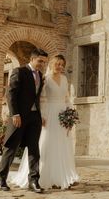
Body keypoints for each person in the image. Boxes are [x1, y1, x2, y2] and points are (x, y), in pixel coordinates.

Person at [10, 54, 79, 190]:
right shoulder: (45, 79)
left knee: (62, 144)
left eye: (62, 65)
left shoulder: (65, 79)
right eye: (57, 64)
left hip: (63, 114)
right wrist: (43, 116)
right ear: (52, 64)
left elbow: (67, 98)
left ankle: (63, 176)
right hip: (50, 114)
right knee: (47, 143)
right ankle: (42, 176)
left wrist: (70, 114)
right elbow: (42, 99)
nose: (60, 67)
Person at [0, 48, 48, 193]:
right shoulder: (19, 71)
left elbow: (37, 97)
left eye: (44, 62)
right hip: (19, 117)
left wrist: (40, 115)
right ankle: (1, 178)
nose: (42, 64)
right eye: (40, 61)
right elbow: (10, 93)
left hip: (34, 117)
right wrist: (15, 114)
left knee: (34, 150)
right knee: (11, 148)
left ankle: (34, 181)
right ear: (32, 59)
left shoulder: (40, 75)